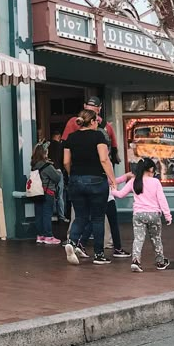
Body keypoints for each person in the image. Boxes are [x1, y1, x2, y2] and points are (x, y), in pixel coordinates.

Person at [62, 108, 118, 266]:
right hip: (96, 180)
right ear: (93, 122)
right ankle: (99, 254)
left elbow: (66, 161)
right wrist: (112, 179)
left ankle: (72, 242)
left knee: (80, 216)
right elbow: (104, 159)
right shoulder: (98, 135)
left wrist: (73, 175)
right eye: (96, 122)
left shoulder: (71, 138)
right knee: (98, 218)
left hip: (75, 180)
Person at [111, 158, 172, 272]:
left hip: (138, 215)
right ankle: (160, 261)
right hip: (154, 215)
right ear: (151, 169)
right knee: (156, 238)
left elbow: (120, 194)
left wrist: (113, 190)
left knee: (138, 239)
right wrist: (167, 215)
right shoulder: (155, 182)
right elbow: (162, 199)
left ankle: (136, 261)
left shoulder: (134, 181)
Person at [30, 142, 62, 245]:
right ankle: (48, 236)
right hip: (47, 192)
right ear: (43, 153)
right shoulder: (47, 166)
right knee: (47, 214)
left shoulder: (34, 166)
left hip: (36, 192)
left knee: (39, 214)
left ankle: (40, 236)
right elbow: (56, 178)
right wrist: (58, 172)